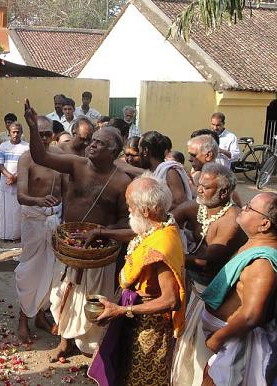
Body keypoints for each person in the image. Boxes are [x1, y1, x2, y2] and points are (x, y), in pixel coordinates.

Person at [24, 99, 131, 361]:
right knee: (63, 298)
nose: (92, 145)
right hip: (69, 246)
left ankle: (93, 351)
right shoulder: (75, 164)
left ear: (114, 151)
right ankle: (65, 342)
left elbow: (125, 222)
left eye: (100, 143)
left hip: (99, 252)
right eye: (92, 141)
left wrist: (101, 233)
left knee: (93, 302)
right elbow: (41, 156)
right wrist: (32, 128)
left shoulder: (121, 182)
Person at [88, 174, 185, 386]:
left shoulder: (161, 247)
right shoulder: (160, 225)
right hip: (135, 317)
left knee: (141, 378)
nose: (127, 209)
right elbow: (136, 235)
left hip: (150, 327)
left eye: (130, 205)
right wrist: (103, 232)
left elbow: (171, 300)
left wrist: (122, 311)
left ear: (146, 212)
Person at [171, 163, 246, 386]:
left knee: (201, 352)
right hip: (192, 287)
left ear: (223, 192)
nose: (199, 190)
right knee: (185, 345)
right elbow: (165, 223)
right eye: (199, 185)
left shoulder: (232, 219)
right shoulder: (195, 207)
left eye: (206, 187)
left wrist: (172, 257)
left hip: (216, 298)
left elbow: (207, 261)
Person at [199, 192, 277, 385]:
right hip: (228, 340)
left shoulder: (263, 263)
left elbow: (251, 315)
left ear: (265, 224)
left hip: (237, 342)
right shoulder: (254, 243)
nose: (243, 207)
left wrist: (218, 339)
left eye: (250, 207)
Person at [15, 116, 62, 342]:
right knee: (30, 271)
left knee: (53, 272)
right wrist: (38, 201)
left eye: (47, 134)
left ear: (53, 134)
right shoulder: (26, 159)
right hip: (34, 221)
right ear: (32, 134)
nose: (44, 138)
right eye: (39, 133)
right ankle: (23, 319)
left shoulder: (61, 157)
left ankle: (41, 316)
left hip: (55, 221)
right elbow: (21, 195)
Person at [140, 131, 193, 209]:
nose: (138, 153)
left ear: (145, 151)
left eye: (139, 149)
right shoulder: (150, 172)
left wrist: (153, 206)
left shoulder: (170, 172)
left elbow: (181, 204)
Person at [0, 122, 30, 242]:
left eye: (18, 132)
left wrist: (16, 177)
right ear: (9, 133)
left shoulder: (27, 147)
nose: (16, 134)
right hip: (6, 182)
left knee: (18, 210)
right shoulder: (3, 146)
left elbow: (28, 165)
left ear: (21, 133)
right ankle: (5, 236)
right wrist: (9, 176)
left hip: (21, 183)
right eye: (13, 132)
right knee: (6, 210)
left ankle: (18, 236)